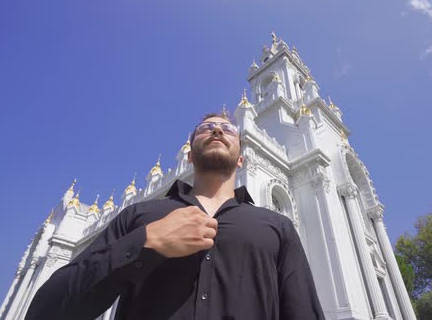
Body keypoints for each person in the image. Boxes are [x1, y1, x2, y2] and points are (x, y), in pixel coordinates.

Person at [26, 113, 325, 320]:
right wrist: (144, 242)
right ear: (190, 155)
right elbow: (46, 310)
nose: (218, 130)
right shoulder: (141, 215)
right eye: (206, 128)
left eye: (228, 128)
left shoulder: (275, 226)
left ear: (242, 157)